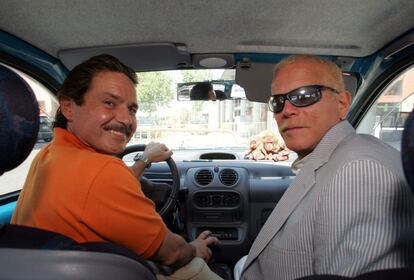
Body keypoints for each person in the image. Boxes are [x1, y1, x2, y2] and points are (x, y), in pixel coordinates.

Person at [11, 54, 221, 279]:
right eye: (109, 103)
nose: (126, 120)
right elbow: (173, 253)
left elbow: (100, 193)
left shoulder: (51, 154)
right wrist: (195, 248)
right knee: (195, 267)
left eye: (131, 109)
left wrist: (144, 160)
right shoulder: (103, 171)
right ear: (69, 107)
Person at [237, 55, 414, 279]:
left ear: (342, 104)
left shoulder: (360, 171)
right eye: (278, 101)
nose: (287, 110)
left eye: (305, 96)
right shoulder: (329, 160)